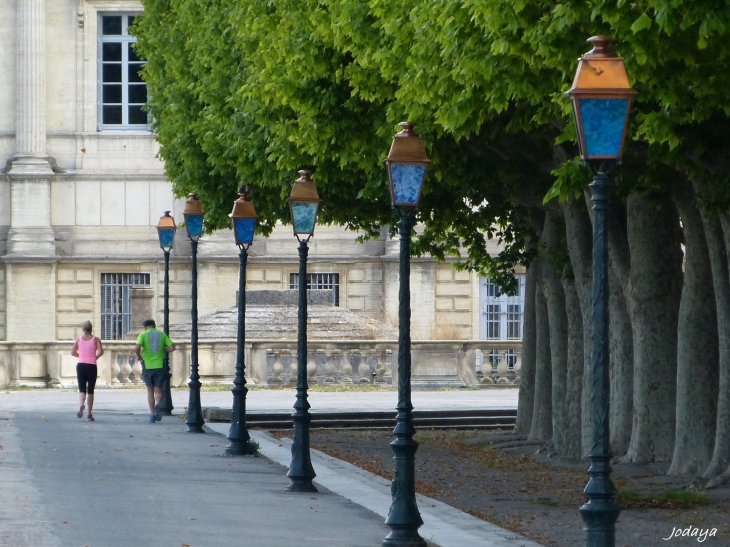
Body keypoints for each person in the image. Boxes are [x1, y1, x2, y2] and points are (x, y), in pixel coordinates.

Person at [135, 319, 175, 423]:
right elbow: (172, 347)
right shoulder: (162, 335)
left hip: (147, 366)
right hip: (159, 366)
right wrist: (164, 349)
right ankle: (158, 404)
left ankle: (152, 415)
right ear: (154, 325)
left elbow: (137, 347)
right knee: (158, 390)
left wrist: (139, 356)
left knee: (150, 391)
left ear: (145, 327)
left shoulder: (143, 335)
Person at [71, 321, 104, 422]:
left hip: (81, 365)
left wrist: (80, 356)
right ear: (91, 328)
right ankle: (89, 414)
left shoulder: (79, 340)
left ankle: (81, 404)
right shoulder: (96, 339)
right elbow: (101, 351)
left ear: (83, 329)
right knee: (90, 391)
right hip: (91, 366)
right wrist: (95, 357)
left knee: (82, 389)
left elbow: (72, 352)